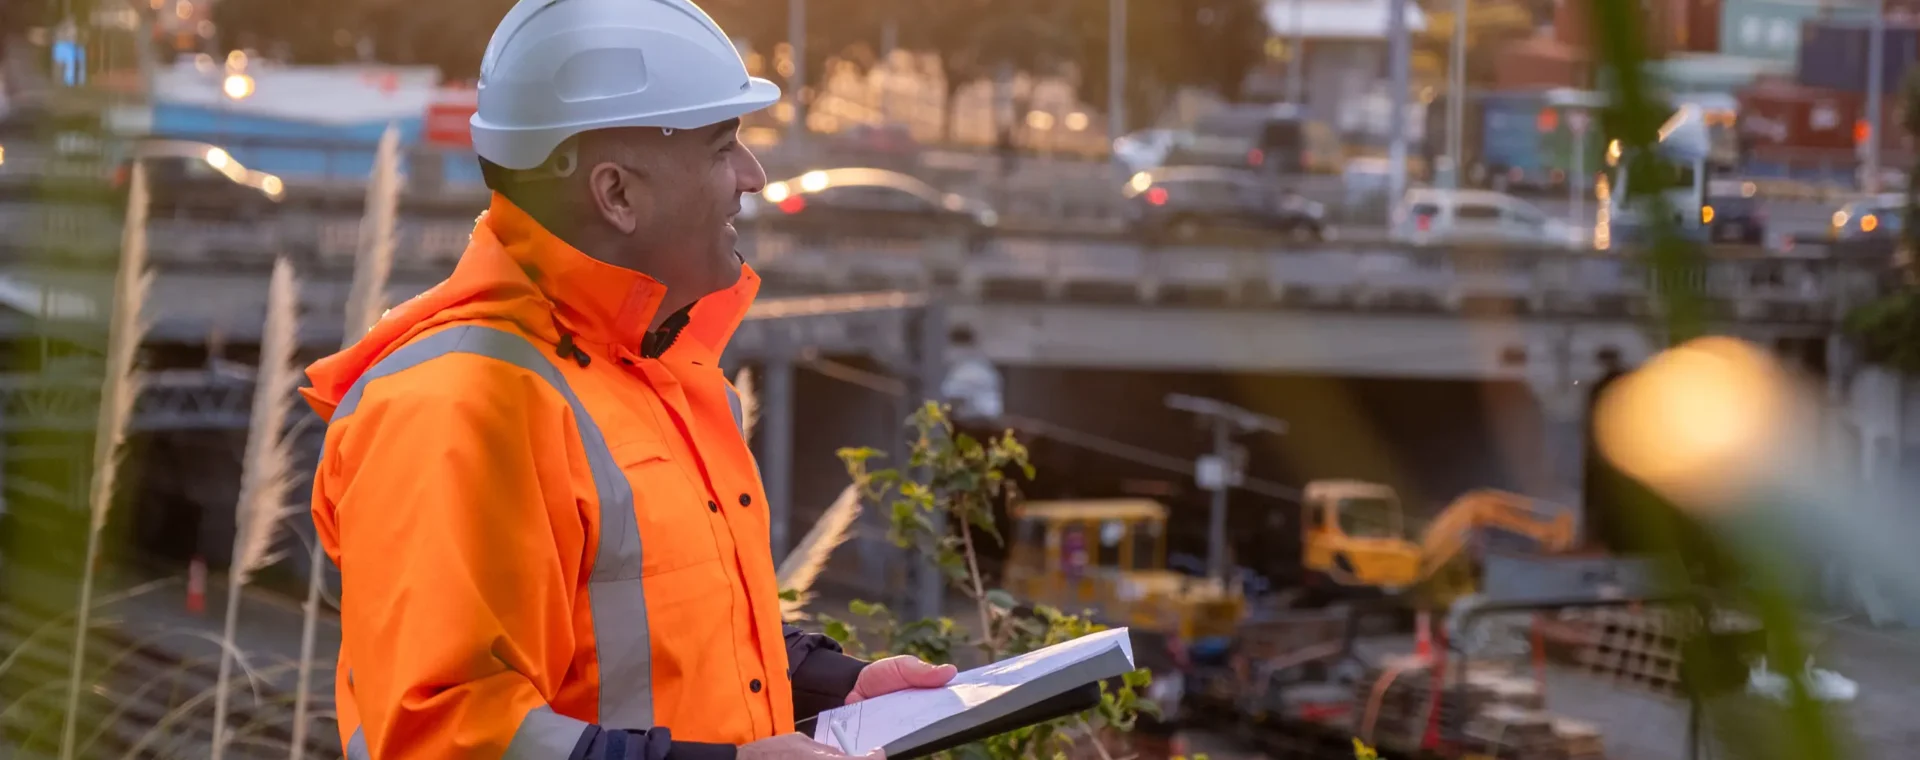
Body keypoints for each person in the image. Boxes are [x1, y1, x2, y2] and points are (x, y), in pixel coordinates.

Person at [299, 2, 956, 758]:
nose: (753, 175)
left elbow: (668, 631)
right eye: (722, 147)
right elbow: (442, 735)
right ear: (616, 194)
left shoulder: (652, 368)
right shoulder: (461, 409)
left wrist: (835, 683)